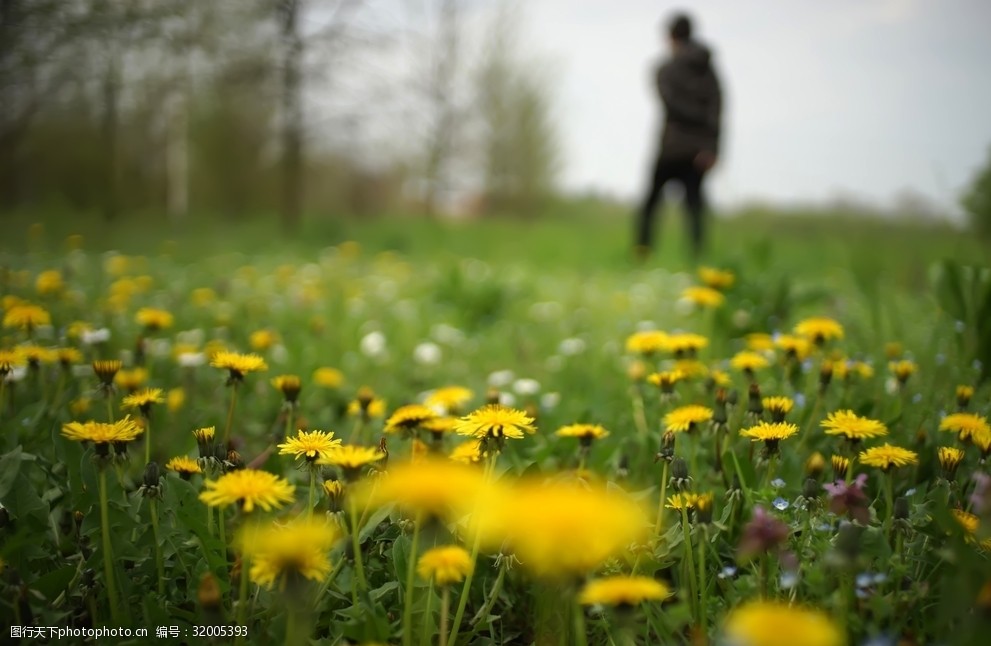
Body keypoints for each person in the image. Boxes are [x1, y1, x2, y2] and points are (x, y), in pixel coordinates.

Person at [635, 12, 722, 262]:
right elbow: (717, 108)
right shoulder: (708, 71)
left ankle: (642, 252)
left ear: (670, 36)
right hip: (698, 150)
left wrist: (690, 118)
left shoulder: (664, 69)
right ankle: (697, 257)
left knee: (651, 204)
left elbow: (669, 104)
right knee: (694, 206)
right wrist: (712, 147)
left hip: (672, 146)